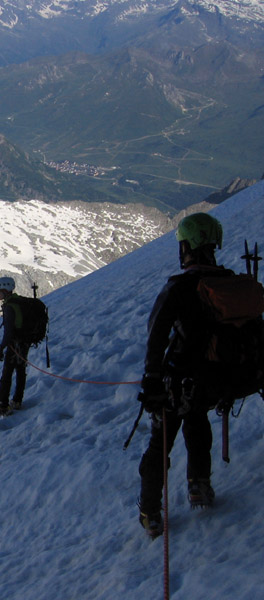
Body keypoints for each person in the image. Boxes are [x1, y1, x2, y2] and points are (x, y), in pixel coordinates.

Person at [136, 212, 227, 538]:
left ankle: (150, 513)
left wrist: (152, 377)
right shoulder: (228, 283)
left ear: (187, 247)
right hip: (213, 381)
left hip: (177, 382)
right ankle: (199, 484)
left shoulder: (180, 288)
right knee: (197, 422)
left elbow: (156, 334)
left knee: (160, 444)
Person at [0, 276, 30, 417]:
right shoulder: (19, 301)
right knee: (21, 370)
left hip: (14, 345)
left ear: (5, 290)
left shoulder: (9, 307)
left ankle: (3, 406)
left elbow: (8, 332)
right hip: (24, 343)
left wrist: (1, 348)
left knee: (7, 375)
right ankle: (17, 400)